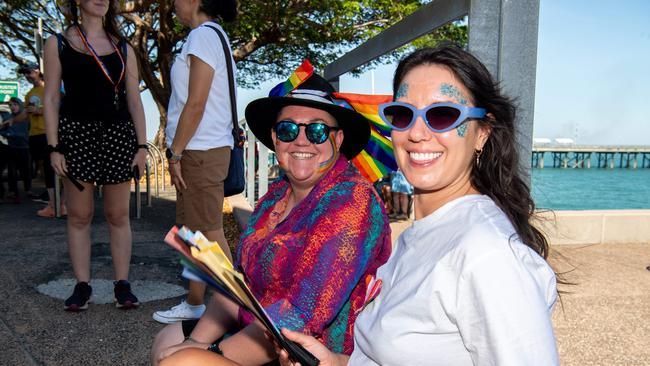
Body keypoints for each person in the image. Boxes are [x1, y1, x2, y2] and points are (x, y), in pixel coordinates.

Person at [277, 44, 560, 365]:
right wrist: (335, 362)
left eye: (443, 114)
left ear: (482, 133)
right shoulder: (420, 235)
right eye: (403, 114)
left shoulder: (486, 254)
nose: (417, 133)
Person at [153, 72, 392, 366]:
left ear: (338, 139)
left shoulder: (353, 201)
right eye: (288, 129)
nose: (301, 140)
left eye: (317, 130)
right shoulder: (275, 196)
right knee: (169, 339)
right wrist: (196, 341)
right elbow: (239, 284)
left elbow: (300, 316)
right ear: (276, 138)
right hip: (258, 328)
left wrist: (208, 355)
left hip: (306, 350)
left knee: (182, 362)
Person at [42, 0, 148, 311]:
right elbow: (50, 97)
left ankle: (122, 284)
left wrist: (141, 147)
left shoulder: (123, 47)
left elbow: (134, 100)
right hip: (76, 136)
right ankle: (82, 286)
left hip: (118, 137)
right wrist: (53, 146)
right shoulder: (58, 43)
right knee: (79, 216)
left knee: (118, 215)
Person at [152, 0, 239, 325]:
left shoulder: (203, 36)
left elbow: (196, 103)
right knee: (193, 232)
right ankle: (194, 302)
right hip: (201, 150)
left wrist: (175, 152)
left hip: (201, 150)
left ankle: (239, 310)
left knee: (208, 231)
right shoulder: (210, 36)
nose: (174, 4)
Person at [14, 63, 58, 214]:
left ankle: (55, 205)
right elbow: (25, 113)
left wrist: (39, 110)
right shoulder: (29, 94)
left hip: (49, 133)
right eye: (24, 73)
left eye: (28, 72)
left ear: (38, 71)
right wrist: (10, 121)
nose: (26, 75)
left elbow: (58, 108)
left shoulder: (50, 89)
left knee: (51, 167)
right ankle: (55, 203)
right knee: (44, 169)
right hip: (35, 135)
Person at [0, 98, 32, 203]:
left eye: (15, 104)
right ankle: (13, 191)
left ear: (20, 105)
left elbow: (27, 132)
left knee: (26, 170)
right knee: (12, 171)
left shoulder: (26, 118)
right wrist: (8, 134)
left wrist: (15, 135)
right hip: (12, 148)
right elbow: (2, 130)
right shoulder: (8, 118)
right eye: (11, 105)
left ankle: (28, 190)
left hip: (24, 147)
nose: (13, 107)